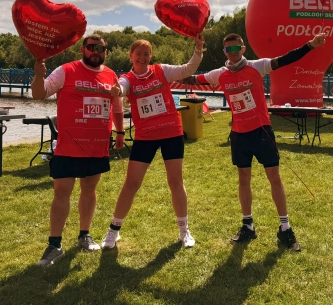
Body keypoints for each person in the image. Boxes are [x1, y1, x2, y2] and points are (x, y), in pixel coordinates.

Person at [178, 32, 326, 252]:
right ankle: (248, 225)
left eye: (237, 48)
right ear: (224, 52)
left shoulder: (258, 66)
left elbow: (286, 59)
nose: (233, 52)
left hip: (262, 132)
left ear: (243, 48)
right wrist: (168, 74)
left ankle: (285, 227)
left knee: (274, 178)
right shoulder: (220, 74)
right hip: (239, 134)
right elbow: (190, 78)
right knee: (243, 179)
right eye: (229, 50)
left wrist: (311, 45)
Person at [101, 33, 205, 250]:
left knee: (176, 182)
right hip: (146, 137)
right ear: (131, 56)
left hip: (171, 133)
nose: (143, 57)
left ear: (151, 56)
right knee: (131, 184)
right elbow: (122, 87)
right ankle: (113, 231)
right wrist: (117, 91)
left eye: (146, 54)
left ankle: (184, 231)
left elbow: (187, 69)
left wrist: (198, 50)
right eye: (138, 53)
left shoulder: (161, 71)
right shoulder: (127, 79)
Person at [31, 34, 126, 267]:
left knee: (89, 189)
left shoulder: (111, 75)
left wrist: (121, 132)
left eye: (101, 48)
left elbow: (117, 107)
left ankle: (84, 235)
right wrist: (39, 76)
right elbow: (39, 94)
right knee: (61, 192)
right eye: (92, 47)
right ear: (83, 49)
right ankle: (54, 245)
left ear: (106, 51)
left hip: (97, 146)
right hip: (68, 146)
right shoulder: (66, 70)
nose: (96, 51)